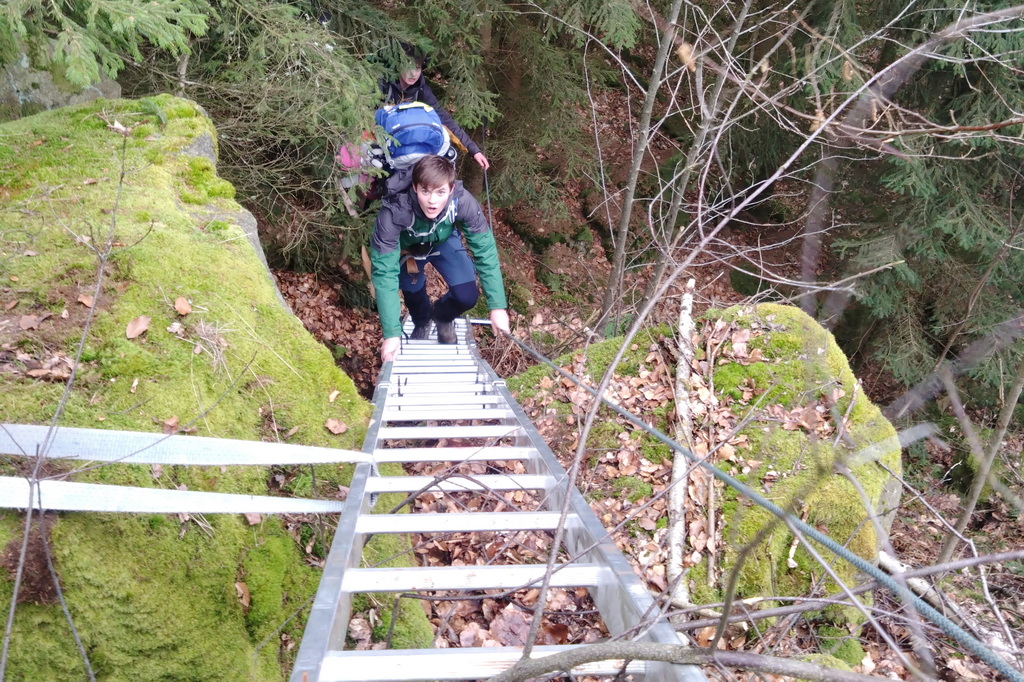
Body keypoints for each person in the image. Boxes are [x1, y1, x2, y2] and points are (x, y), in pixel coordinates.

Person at [370, 155, 510, 362]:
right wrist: (391, 334)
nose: (432, 201)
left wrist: (497, 306)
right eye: (425, 191)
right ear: (415, 187)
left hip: (444, 241)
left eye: (440, 192)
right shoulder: (394, 212)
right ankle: (422, 321)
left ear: (451, 189)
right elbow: (384, 272)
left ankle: (442, 316)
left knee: (467, 295)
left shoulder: (463, 203)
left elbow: (485, 251)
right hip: (409, 250)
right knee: (412, 290)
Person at [380, 44, 490, 171]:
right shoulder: (383, 84)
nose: (413, 73)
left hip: (409, 147)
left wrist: (474, 150)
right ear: (398, 65)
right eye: (408, 67)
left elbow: (444, 119)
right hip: (383, 143)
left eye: (417, 68)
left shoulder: (421, 90)